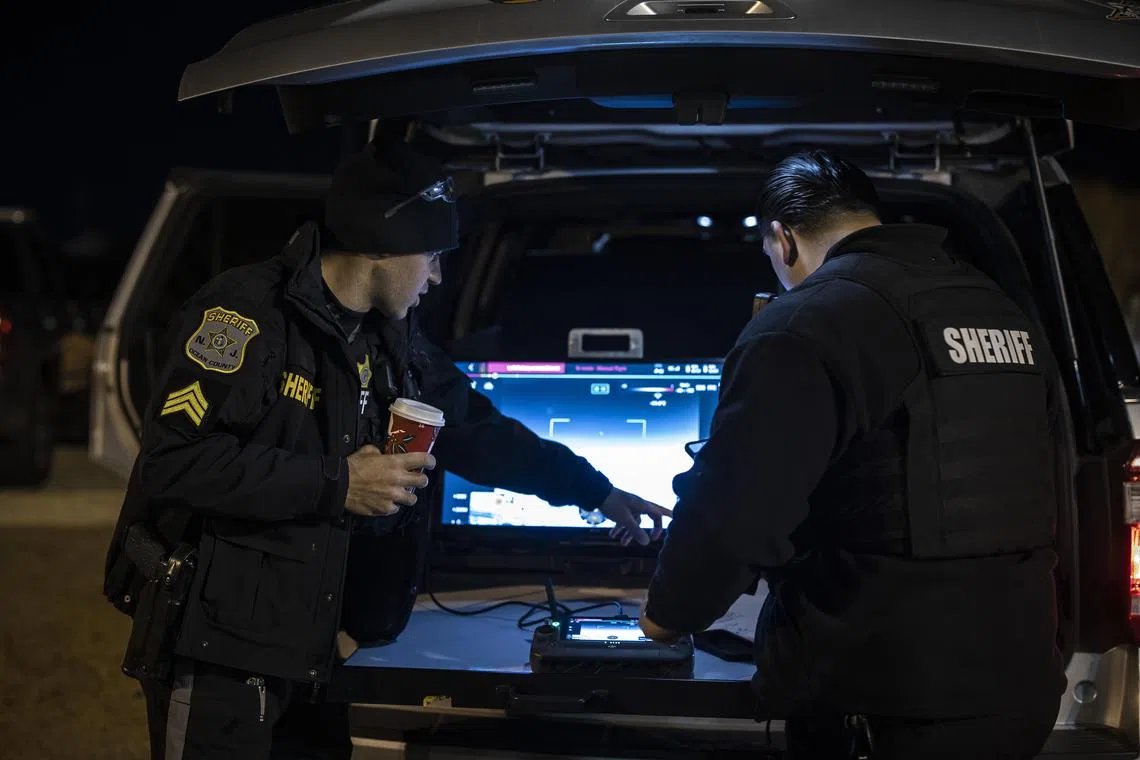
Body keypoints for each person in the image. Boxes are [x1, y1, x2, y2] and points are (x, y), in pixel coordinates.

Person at [104, 140, 670, 760]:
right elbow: (172, 463)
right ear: (379, 244)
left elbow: (482, 434)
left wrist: (599, 493)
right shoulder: (243, 317)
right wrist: (339, 483)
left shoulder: (391, 339)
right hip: (220, 656)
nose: (436, 277)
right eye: (431, 256)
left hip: (314, 656)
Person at [634, 150, 1068, 759]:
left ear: (783, 240)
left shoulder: (805, 322)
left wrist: (667, 616)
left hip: (886, 699)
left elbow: (734, 509)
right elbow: (1056, 482)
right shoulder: (995, 308)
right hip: (1021, 684)